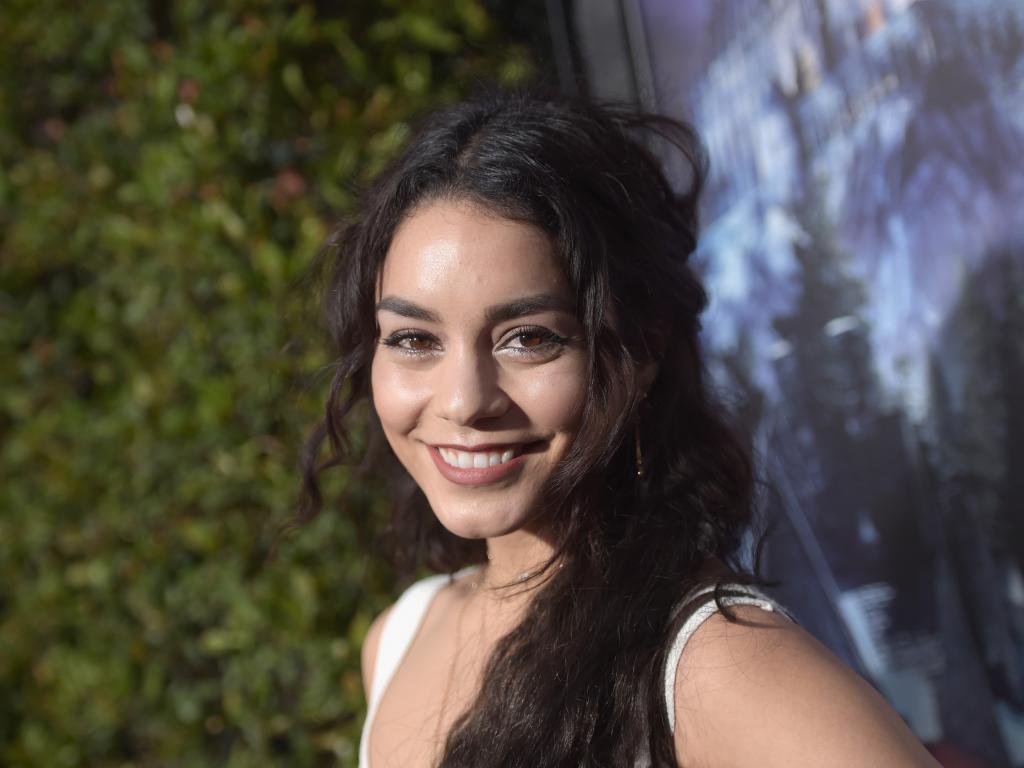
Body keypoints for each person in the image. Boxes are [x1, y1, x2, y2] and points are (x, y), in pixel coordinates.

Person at [293, 90, 939, 767]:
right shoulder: (398, 638)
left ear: (642, 350)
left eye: (529, 338)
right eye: (414, 339)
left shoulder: (710, 669)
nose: (463, 401)